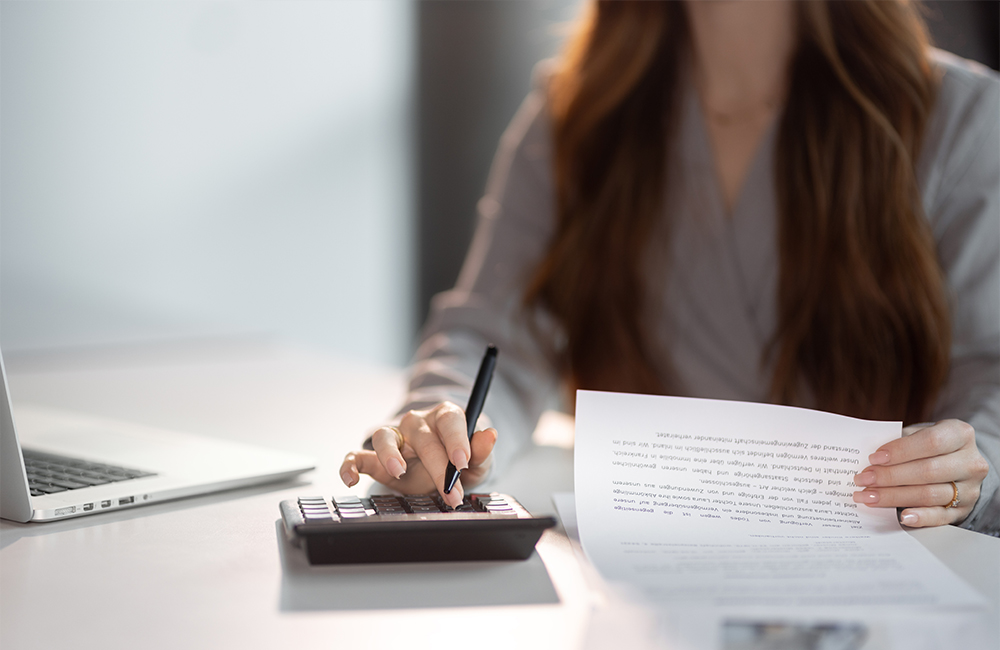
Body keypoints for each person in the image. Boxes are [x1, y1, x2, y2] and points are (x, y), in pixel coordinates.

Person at [341, 0, 999, 534]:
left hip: (886, 584)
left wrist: (967, 467)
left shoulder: (961, 118)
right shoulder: (576, 115)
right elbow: (493, 334)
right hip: (640, 585)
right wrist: (446, 423)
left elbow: (989, 378)